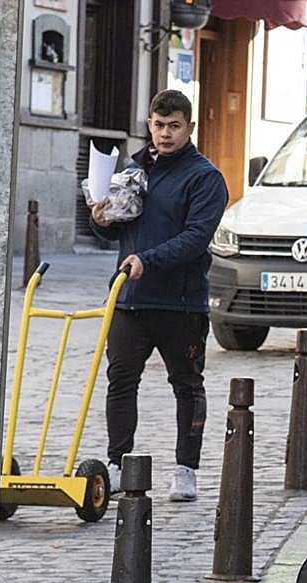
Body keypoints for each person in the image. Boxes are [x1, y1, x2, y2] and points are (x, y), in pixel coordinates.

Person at [90, 90, 229, 501]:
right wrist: (100, 220)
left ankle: (186, 469)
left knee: (186, 384)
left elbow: (195, 238)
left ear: (189, 127)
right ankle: (117, 463)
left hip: (179, 303)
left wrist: (147, 259)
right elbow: (120, 228)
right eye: (158, 125)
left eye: (173, 126)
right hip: (130, 298)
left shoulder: (204, 178)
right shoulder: (136, 169)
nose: (164, 134)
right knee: (120, 381)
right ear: (148, 124)